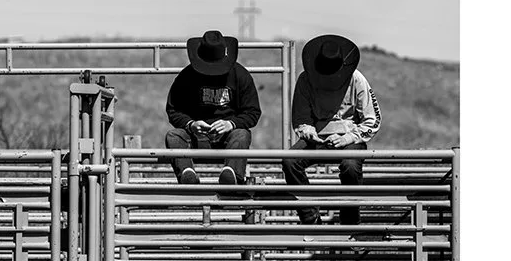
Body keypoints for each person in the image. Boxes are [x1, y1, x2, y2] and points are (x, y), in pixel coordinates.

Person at [285, 34, 380, 227]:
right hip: (317, 137)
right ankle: (310, 217)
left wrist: (347, 138)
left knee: (351, 167)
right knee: (289, 161)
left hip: (350, 139)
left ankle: (350, 220)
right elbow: (301, 118)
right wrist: (308, 131)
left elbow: (373, 119)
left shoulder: (357, 80)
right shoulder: (305, 80)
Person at [163, 29, 263, 185]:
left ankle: (231, 175)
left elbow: (253, 112)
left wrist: (230, 124)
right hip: (196, 137)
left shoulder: (240, 75)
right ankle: (187, 174)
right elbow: (173, 109)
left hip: (228, 138)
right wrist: (191, 124)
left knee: (241, 135)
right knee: (174, 136)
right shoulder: (186, 76)